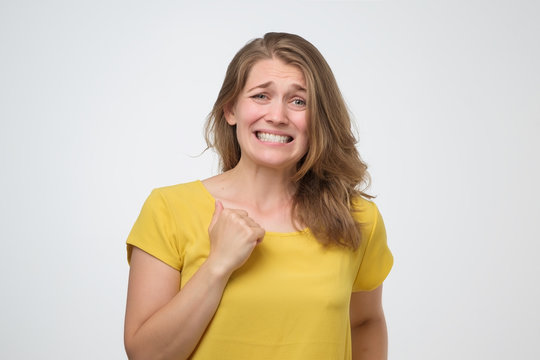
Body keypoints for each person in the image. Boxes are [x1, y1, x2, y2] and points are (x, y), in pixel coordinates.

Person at [124, 32, 393, 360]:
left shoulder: (355, 219)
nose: (278, 116)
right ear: (230, 109)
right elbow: (145, 355)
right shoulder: (169, 210)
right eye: (261, 96)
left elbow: (365, 321)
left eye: (298, 101)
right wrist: (218, 265)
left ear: (318, 118)